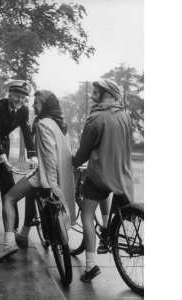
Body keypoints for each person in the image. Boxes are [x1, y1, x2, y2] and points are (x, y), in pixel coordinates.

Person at [0, 90, 75, 262]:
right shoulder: (59, 124)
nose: (32, 106)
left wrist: (49, 183)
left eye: (36, 103)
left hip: (45, 176)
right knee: (30, 194)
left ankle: (9, 243)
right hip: (58, 174)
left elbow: (49, 158)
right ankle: (24, 232)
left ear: (44, 106)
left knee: (8, 198)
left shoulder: (43, 124)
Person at [72, 79, 134, 282]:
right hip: (122, 175)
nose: (92, 95)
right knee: (104, 194)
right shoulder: (125, 115)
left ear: (107, 93)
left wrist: (72, 162)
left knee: (87, 215)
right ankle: (107, 231)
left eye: (96, 92)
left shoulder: (96, 118)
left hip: (100, 175)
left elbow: (83, 152)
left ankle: (90, 266)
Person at [0, 80, 37, 236]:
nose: (19, 101)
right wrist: (3, 158)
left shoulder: (23, 110)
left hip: (2, 149)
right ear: (10, 94)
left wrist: (33, 155)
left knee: (8, 188)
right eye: (17, 96)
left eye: (23, 98)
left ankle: (12, 228)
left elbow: (26, 132)